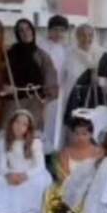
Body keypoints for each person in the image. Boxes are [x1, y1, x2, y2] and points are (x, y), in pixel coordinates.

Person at [0, 110, 53, 213]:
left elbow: (40, 166)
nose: (19, 126)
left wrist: (25, 176)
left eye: (24, 124)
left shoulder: (35, 142)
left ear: (28, 128)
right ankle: (0, 210)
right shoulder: (4, 141)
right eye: (17, 122)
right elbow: (1, 164)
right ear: (11, 123)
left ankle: (29, 211)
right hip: (12, 172)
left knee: (37, 183)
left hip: (31, 173)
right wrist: (8, 174)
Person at [0, 19, 58, 135]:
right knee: (9, 133)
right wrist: (4, 87)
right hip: (13, 101)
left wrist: (46, 98)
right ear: (17, 34)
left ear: (32, 31)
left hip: (34, 101)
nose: (25, 33)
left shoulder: (41, 55)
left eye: (27, 29)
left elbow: (50, 77)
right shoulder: (8, 54)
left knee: (31, 134)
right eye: (21, 31)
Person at [46, 117, 104, 213]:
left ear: (91, 134)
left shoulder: (99, 152)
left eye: (84, 134)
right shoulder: (65, 152)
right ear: (72, 135)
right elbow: (65, 176)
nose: (80, 137)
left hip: (94, 187)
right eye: (77, 134)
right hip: (72, 187)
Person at [62, 24, 107, 123]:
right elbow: (64, 79)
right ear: (77, 37)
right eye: (82, 35)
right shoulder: (69, 54)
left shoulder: (103, 55)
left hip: (98, 99)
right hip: (75, 99)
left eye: (90, 35)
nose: (86, 38)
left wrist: (99, 80)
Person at [38, 15, 70, 155]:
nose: (58, 33)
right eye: (55, 29)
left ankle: (55, 155)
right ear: (49, 30)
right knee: (42, 124)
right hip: (43, 93)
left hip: (61, 94)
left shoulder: (67, 49)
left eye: (62, 30)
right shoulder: (40, 46)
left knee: (57, 126)